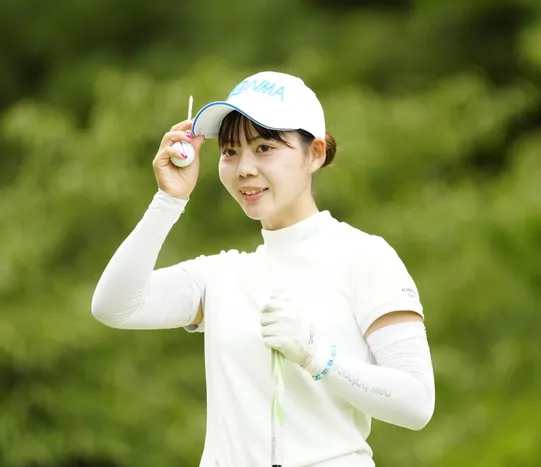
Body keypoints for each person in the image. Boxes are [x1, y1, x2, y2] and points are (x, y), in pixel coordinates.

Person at [91, 71, 435, 467]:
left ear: (315, 153)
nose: (244, 169)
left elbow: (416, 403)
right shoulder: (223, 276)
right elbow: (114, 307)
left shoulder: (364, 256)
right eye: (230, 151)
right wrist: (169, 200)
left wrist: (318, 357)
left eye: (265, 147)